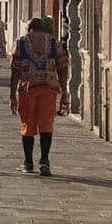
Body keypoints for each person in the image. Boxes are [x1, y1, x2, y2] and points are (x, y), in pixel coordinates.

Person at [10, 17, 70, 176]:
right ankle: (44, 160)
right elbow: (63, 68)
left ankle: (28, 162)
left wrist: (12, 95)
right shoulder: (54, 43)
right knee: (46, 125)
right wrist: (64, 92)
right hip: (49, 88)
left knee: (27, 125)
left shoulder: (21, 42)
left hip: (27, 89)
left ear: (29, 28)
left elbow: (15, 70)